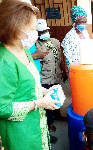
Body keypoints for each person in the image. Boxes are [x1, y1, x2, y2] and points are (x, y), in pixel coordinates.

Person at [0, 1, 64, 149]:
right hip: (19, 133)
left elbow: (29, 86)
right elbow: (2, 108)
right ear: (15, 29)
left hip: (36, 125)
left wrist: (47, 91)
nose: (35, 34)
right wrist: (39, 103)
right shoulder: (4, 61)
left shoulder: (25, 50)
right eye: (32, 29)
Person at [35, 19, 67, 143]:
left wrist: (63, 71)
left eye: (45, 30)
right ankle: (49, 122)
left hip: (56, 76)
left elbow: (60, 59)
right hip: (44, 78)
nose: (44, 33)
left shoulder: (55, 42)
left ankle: (57, 115)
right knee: (47, 100)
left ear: (49, 30)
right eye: (41, 31)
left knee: (57, 96)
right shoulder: (36, 46)